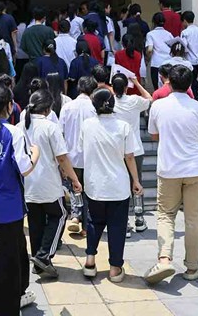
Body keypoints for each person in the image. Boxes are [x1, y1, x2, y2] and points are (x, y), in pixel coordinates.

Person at [144, 65, 198, 285]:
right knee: (194, 219)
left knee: (166, 214)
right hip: (196, 169)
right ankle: (193, 267)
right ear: (190, 84)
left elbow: (154, 135)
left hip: (168, 169)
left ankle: (164, 258)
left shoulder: (158, 106)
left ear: (168, 82)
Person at [0, 85, 39, 314]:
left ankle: (13, 296)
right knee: (6, 259)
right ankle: (4, 308)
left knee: (11, 251)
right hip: (10, 205)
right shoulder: (14, 132)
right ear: (9, 106)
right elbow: (24, 168)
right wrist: (36, 153)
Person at [81, 88, 142, 282]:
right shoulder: (124, 126)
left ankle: (90, 260)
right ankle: (115, 268)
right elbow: (130, 156)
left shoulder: (87, 125)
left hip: (94, 184)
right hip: (118, 185)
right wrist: (136, 181)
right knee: (117, 227)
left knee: (93, 222)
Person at [19, 90, 82, 278]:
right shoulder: (50, 127)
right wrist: (74, 179)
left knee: (35, 222)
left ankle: (39, 259)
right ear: (48, 108)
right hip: (48, 183)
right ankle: (44, 255)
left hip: (28, 184)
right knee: (61, 214)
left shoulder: (20, 126)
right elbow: (62, 158)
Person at [112, 73, 152, 234]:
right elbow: (149, 98)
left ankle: (125, 222)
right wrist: (136, 82)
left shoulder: (110, 102)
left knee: (120, 185)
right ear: (126, 87)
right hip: (135, 148)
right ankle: (139, 217)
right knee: (137, 183)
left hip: (117, 149)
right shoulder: (134, 100)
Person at [59, 76, 97, 235]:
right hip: (90, 157)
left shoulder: (68, 106)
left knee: (75, 187)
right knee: (89, 191)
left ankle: (75, 216)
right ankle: (87, 226)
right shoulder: (94, 107)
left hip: (71, 156)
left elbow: (60, 132)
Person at [180, 11, 198, 98]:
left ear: (184, 20)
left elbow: (184, 47)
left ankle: (197, 93)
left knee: (191, 80)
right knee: (193, 79)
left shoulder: (185, 33)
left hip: (190, 60)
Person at [146, 12, 174, 90]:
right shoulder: (169, 34)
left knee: (157, 88)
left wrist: (147, 59)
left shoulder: (150, 34)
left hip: (156, 63)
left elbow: (149, 49)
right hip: (168, 63)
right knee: (169, 88)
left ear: (153, 22)